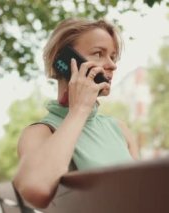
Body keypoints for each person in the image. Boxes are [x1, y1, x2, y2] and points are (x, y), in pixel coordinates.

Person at [13, 17, 140, 209]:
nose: (112, 65)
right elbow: (34, 190)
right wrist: (79, 110)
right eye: (99, 53)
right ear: (64, 59)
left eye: (113, 57)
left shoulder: (120, 130)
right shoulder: (39, 133)